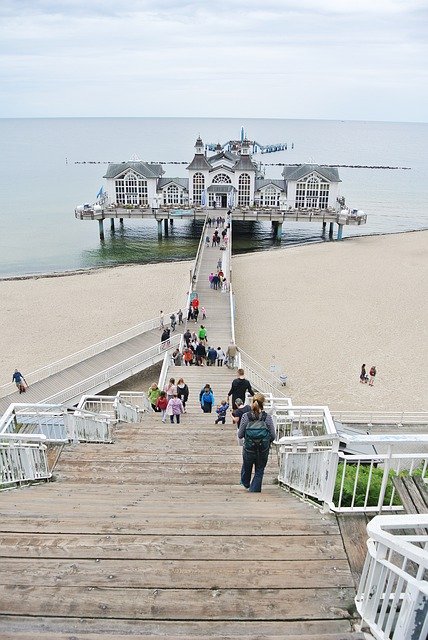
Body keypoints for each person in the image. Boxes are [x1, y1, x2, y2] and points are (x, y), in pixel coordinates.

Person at [238, 393, 275, 492]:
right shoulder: (267, 417)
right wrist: (266, 441)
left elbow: (240, 435)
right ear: (263, 403)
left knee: (247, 466)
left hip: (249, 448)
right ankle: (254, 492)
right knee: (259, 470)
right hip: (262, 449)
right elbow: (273, 436)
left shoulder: (246, 416)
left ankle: (245, 483)